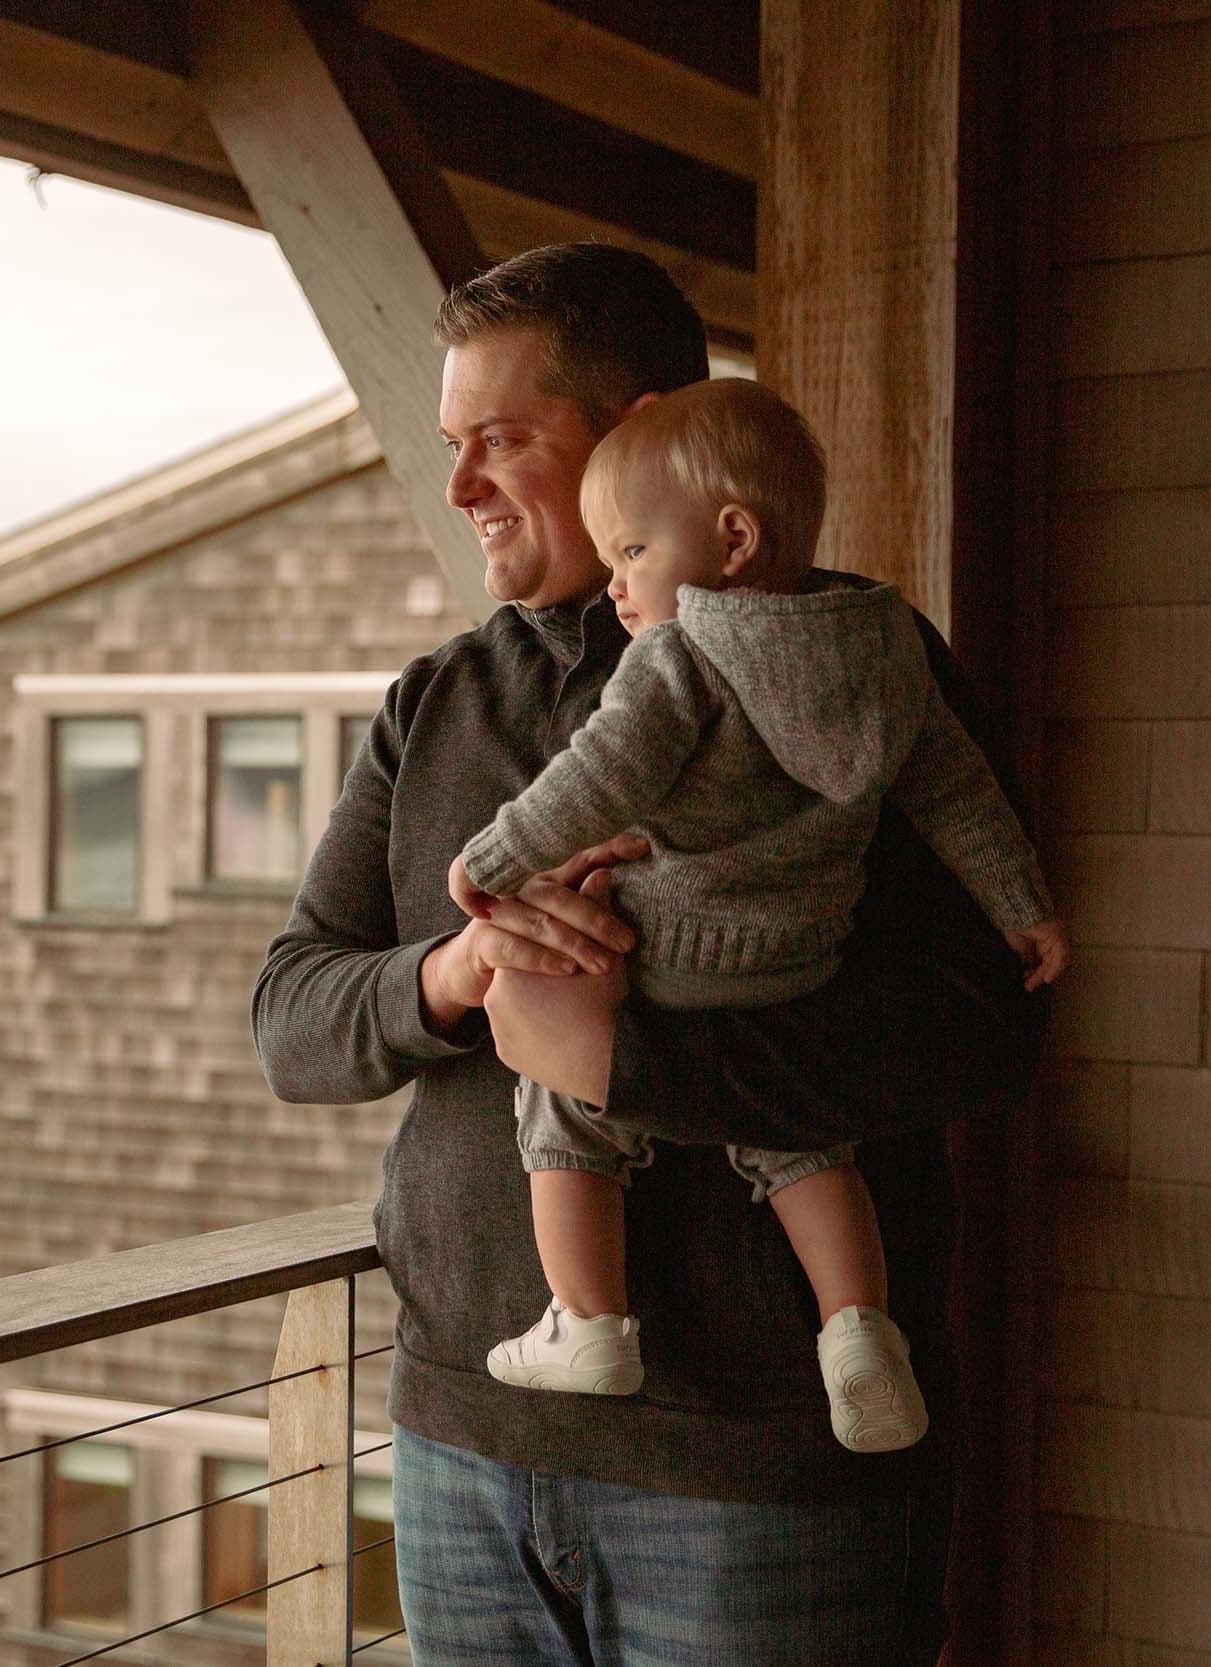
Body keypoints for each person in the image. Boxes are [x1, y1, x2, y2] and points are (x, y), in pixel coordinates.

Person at [250, 242, 1041, 1665]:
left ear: (641, 431)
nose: (460, 483)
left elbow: (980, 1025)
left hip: (761, 1477)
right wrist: (461, 971)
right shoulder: (437, 700)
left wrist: (630, 1055)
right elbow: (293, 1014)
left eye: (502, 438)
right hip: (461, 1449)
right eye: (451, 441)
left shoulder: (845, 662)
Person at [445, 377, 1067, 1455]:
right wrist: (1022, 904)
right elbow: (955, 787)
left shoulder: (680, 655)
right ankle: (858, 1329)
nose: (618, 584)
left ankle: (587, 1323)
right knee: (800, 1140)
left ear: (731, 539)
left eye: (632, 552)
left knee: (560, 1102)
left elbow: (597, 778)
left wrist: (492, 859)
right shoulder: (885, 647)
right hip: (800, 959)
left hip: (665, 949)